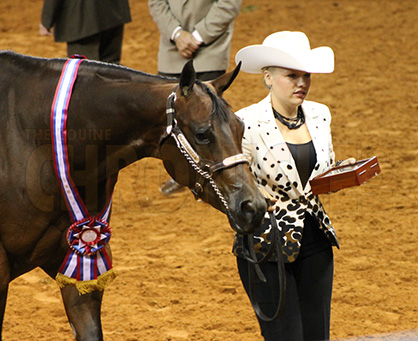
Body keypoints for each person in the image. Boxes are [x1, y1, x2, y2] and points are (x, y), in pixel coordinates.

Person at [232, 31, 355, 340]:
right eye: (292, 75)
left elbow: (317, 173)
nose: (302, 83)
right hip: (264, 247)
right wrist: (250, 198)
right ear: (268, 77)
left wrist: (340, 172)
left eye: (305, 75)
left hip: (316, 240)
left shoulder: (320, 114)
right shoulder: (244, 122)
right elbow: (227, 183)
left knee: (317, 335)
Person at [148, 0, 242, 195]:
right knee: (172, 120)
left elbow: (229, 4)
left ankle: (216, 174)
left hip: (209, 47)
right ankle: (181, 173)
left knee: (209, 122)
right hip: (172, 50)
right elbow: (156, 3)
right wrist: (177, 34)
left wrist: (197, 36)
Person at [40, 0, 131, 64]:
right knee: (112, 71)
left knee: (85, 73)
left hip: (82, 20)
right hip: (115, 12)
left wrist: (46, 20)